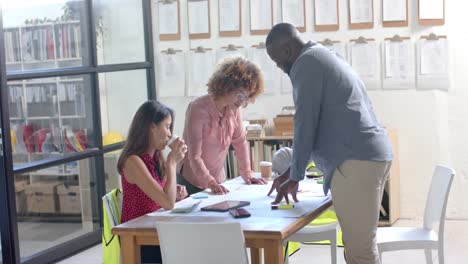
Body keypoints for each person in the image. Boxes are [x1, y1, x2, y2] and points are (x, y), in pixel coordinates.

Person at [265, 23, 393, 264]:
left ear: (287, 49)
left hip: (356, 161)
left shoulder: (306, 64)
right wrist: (294, 171)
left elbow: (305, 123)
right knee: (359, 245)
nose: (278, 67)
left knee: (360, 251)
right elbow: (325, 127)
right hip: (369, 155)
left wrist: (295, 175)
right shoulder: (324, 55)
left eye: (276, 59)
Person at [180, 56, 267, 195]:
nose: (242, 103)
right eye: (240, 95)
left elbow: (240, 142)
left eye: (246, 98)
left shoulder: (234, 109)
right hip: (193, 183)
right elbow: (194, 156)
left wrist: (247, 174)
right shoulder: (197, 109)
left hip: (219, 181)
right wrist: (210, 182)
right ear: (227, 86)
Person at [117, 100, 188, 263]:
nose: (170, 134)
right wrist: (172, 163)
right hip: (140, 237)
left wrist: (174, 193)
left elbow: (164, 198)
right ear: (152, 127)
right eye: (167, 126)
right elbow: (167, 203)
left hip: (155, 230)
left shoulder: (154, 158)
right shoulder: (133, 161)